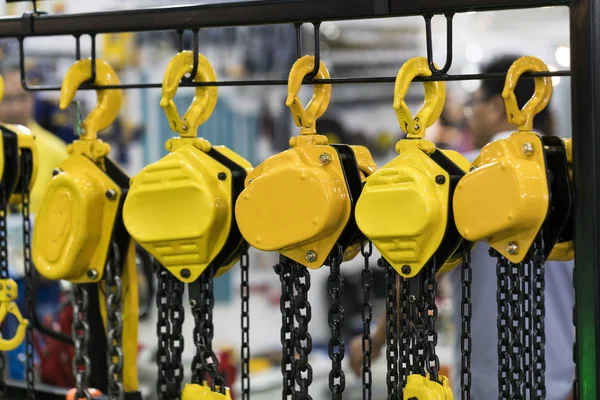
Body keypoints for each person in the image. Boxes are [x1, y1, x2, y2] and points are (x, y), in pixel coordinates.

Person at [349, 55, 575, 400]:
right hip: (567, 381)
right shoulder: (576, 176)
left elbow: (416, 277)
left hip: (483, 383)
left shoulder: (459, 179)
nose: (470, 113)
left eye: (475, 102)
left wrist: (374, 342)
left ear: (500, 106)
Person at [0, 62, 68, 381]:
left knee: (40, 343)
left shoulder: (55, 151)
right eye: (6, 99)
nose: (15, 106)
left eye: (21, 97)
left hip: (41, 268)